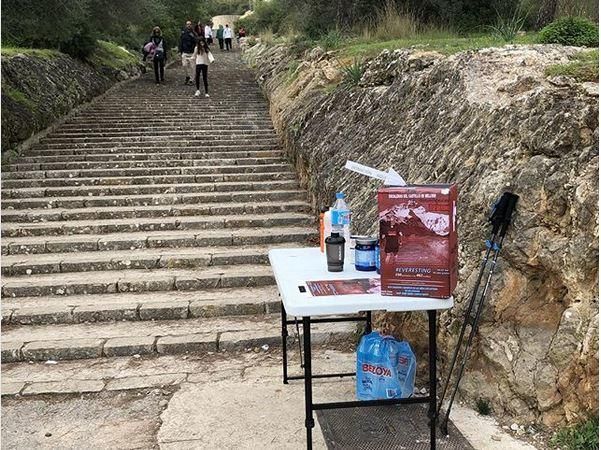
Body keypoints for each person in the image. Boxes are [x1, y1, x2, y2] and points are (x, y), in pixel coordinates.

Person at [179, 20, 198, 85]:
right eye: (187, 24)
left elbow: (197, 41)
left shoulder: (194, 33)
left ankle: (191, 80)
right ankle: (187, 76)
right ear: (186, 25)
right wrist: (180, 50)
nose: (188, 25)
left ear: (191, 25)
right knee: (184, 65)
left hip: (192, 52)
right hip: (185, 52)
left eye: (189, 24)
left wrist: (192, 36)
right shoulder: (183, 33)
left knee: (193, 67)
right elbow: (181, 41)